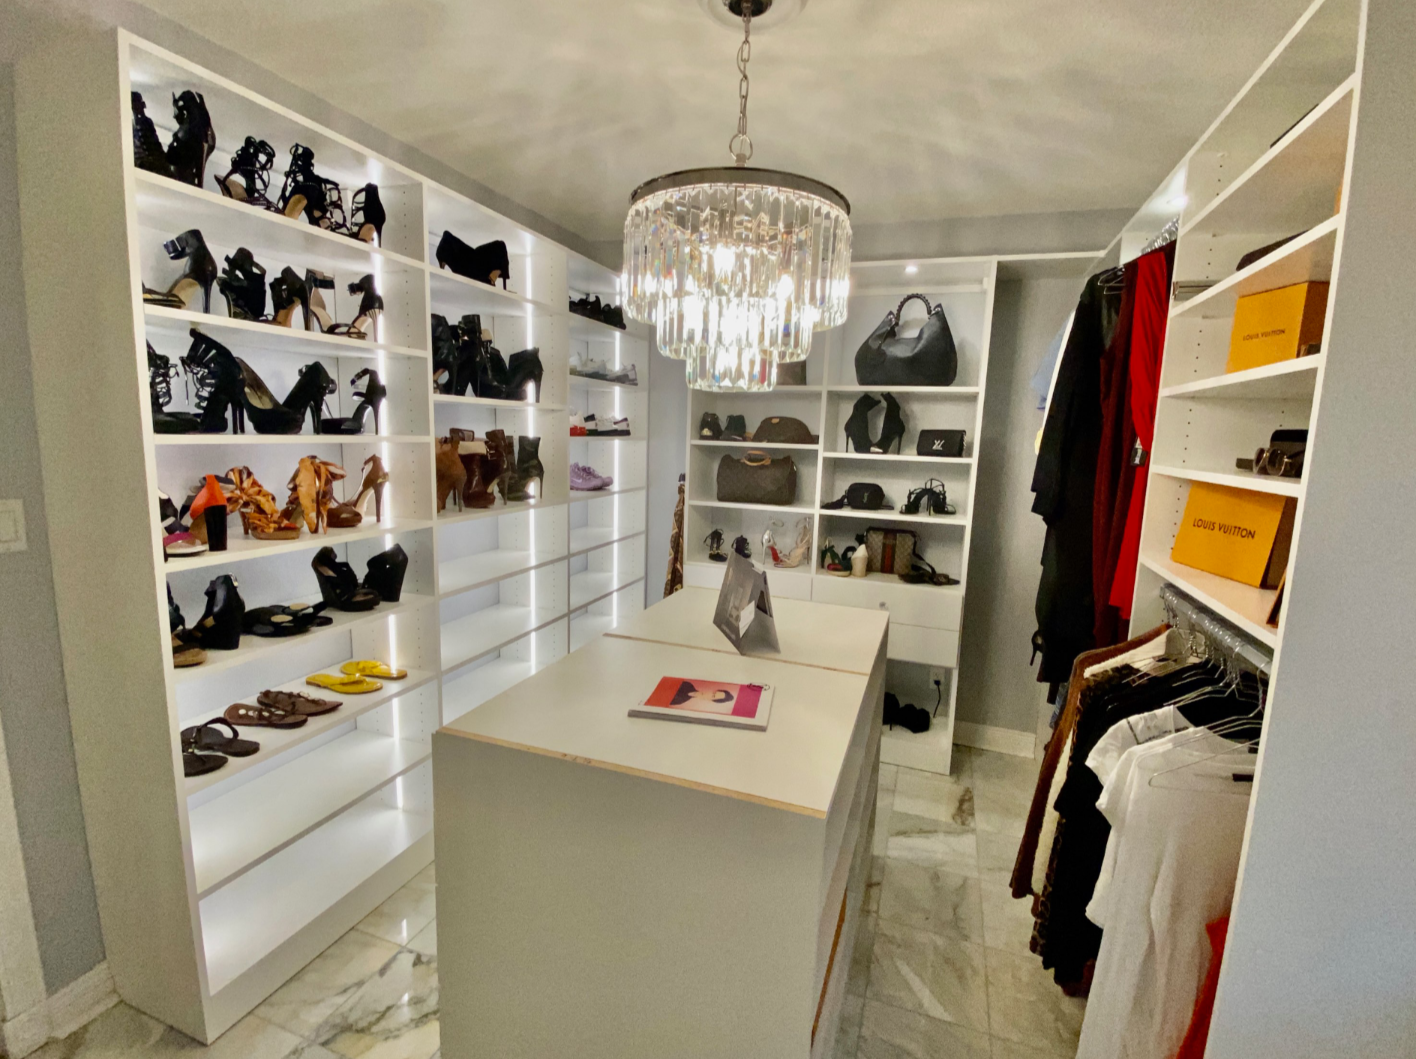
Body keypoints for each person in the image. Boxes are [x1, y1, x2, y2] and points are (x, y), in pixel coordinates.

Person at [670, 681, 734, 707]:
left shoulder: (680, 701)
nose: (709, 694)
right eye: (713, 692)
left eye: (713, 696)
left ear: (710, 700)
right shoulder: (687, 685)